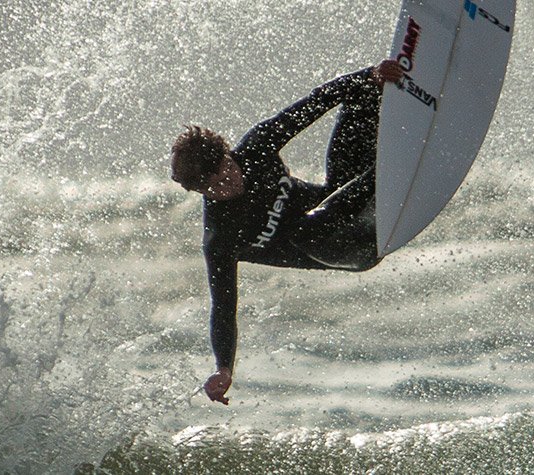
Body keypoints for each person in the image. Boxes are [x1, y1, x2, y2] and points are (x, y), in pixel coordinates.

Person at [170, 59, 404, 405]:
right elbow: (223, 307)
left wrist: (368, 77)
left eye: (225, 172)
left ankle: (388, 113)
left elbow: (314, 103)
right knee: (303, 231)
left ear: (227, 153)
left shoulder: (257, 148)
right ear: (201, 192)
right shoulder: (221, 237)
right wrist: (224, 368)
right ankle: (387, 174)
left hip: (350, 202)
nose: (227, 186)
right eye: (214, 188)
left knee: (356, 96)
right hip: (353, 249)